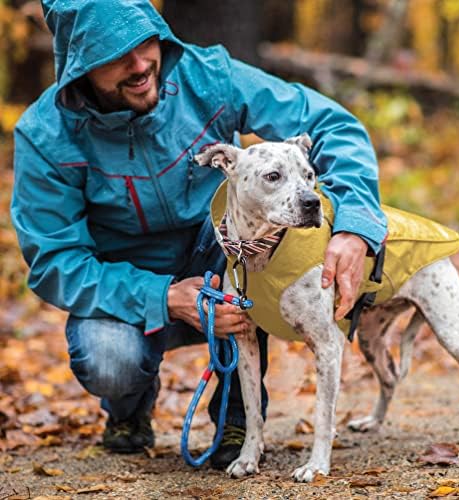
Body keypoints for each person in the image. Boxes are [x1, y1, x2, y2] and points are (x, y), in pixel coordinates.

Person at [11, 0, 387, 469]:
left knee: (252, 263)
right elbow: (55, 261)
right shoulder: (45, 135)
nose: (140, 63)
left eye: (145, 41)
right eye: (115, 54)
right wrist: (163, 296)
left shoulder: (207, 75)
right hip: (126, 276)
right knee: (108, 359)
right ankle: (129, 410)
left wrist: (355, 228)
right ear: (80, 63)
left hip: (221, 249)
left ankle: (237, 418)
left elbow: (332, 124)